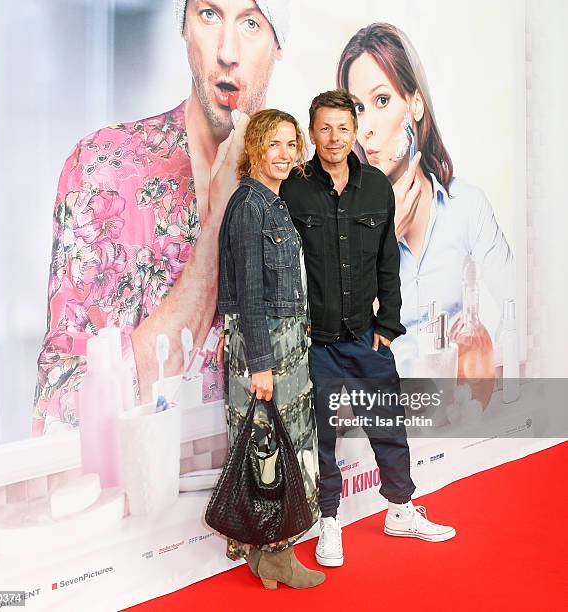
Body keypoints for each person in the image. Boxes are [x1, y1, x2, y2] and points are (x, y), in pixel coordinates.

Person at [33, 0, 289, 434]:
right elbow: (59, 416)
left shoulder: (306, 190)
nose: (227, 52)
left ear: (277, 45)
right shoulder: (104, 170)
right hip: (147, 496)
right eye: (209, 15)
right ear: (184, 27)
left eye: (250, 22)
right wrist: (216, 233)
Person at [280, 90, 456, 568]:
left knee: (389, 427)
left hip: (365, 335)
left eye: (343, 128)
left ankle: (400, 509)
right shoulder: (292, 190)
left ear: (354, 132)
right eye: (324, 128)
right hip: (315, 343)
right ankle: (329, 523)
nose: (334, 138)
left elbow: (386, 263)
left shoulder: (377, 187)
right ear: (311, 132)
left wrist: (388, 325)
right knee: (321, 438)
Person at [336, 22, 515, 377]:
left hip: (459, 414)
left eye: (381, 100)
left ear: (414, 104)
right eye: (357, 108)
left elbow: (519, 314)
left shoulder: (466, 206)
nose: (366, 126)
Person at [218, 109, 324, 589]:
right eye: (274, 145)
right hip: (267, 347)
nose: (284, 155)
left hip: (285, 341)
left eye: (290, 145)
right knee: (273, 448)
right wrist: (260, 364)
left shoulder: (273, 202)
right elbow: (250, 293)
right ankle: (277, 555)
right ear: (255, 149)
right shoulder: (250, 206)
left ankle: (267, 554)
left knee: (281, 443)